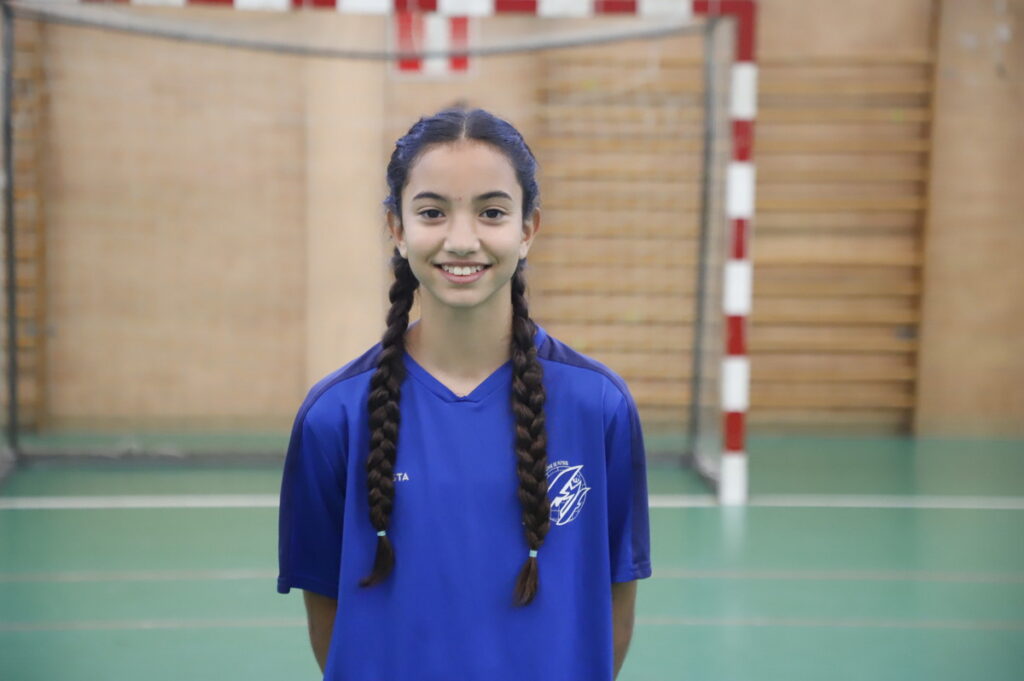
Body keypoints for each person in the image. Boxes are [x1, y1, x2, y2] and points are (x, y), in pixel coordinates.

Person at [277, 107, 652, 681]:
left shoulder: (597, 406)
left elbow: (614, 605)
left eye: (492, 212)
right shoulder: (335, 416)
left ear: (528, 230)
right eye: (431, 212)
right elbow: (329, 616)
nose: (461, 239)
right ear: (397, 229)